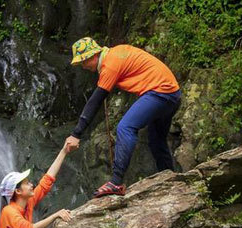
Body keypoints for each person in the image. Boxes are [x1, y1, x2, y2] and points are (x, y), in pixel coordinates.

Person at [66, 37, 182, 198]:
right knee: (156, 140)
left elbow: (95, 101)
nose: (84, 67)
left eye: (84, 62)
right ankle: (170, 178)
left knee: (125, 127)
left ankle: (116, 182)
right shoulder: (116, 53)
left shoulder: (110, 64)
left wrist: (76, 134)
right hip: (173, 94)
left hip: (160, 92)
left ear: (92, 56)